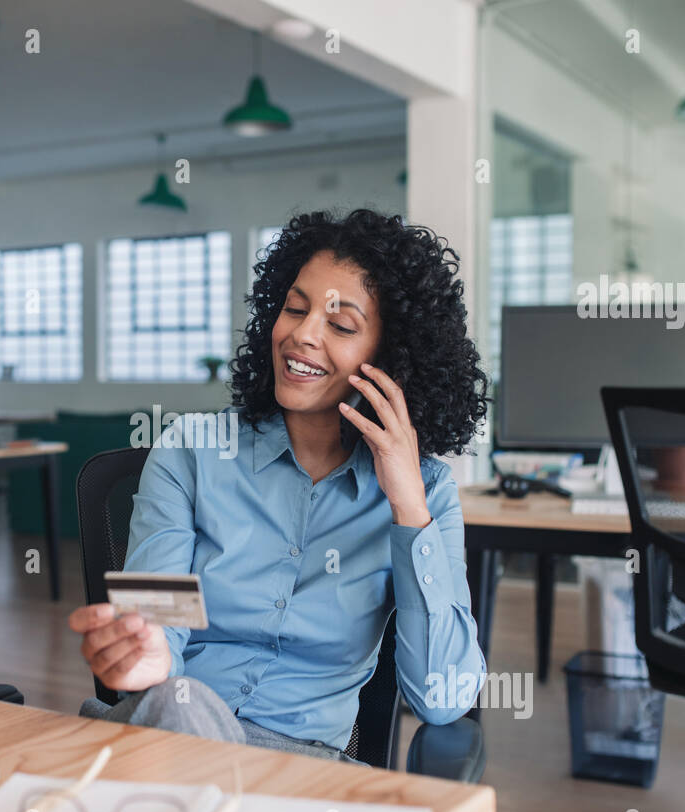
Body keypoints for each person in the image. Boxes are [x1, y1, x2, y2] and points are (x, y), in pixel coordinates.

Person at [68, 208, 490, 764]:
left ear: (391, 361)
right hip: (169, 732)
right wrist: (145, 657)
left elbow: (442, 699)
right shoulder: (193, 450)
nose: (302, 335)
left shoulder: (425, 491)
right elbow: (159, 624)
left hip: (300, 769)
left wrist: (408, 507)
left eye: (340, 326)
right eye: (295, 308)